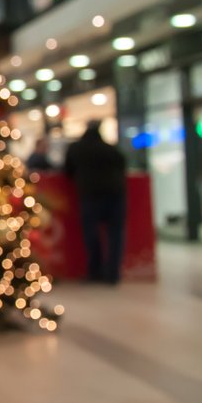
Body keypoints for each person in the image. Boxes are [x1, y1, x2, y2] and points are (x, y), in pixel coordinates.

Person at [64, 120, 127, 284]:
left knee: (91, 234)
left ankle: (95, 271)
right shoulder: (110, 149)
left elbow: (68, 171)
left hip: (90, 195)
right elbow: (123, 165)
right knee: (115, 234)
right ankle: (113, 273)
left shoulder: (76, 149)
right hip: (115, 194)